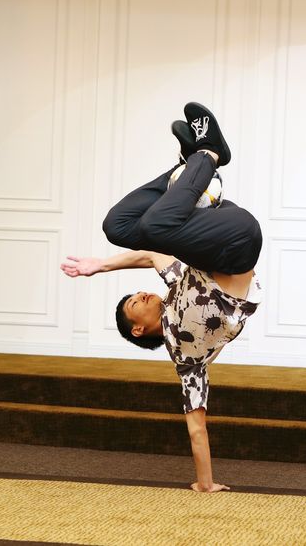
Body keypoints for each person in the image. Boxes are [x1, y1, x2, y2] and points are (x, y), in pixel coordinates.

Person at [61, 102, 262, 493]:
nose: (142, 294)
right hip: (239, 245)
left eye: (136, 295)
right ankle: (209, 154)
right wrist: (205, 483)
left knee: (117, 227)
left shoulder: (175, 291)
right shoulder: (188, 361)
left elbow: (150, 255)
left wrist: (99, 266)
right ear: (139, 329)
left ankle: (185, 166)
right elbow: (196, 426)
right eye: (135, 303)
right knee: (157, 226)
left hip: (219, 229)